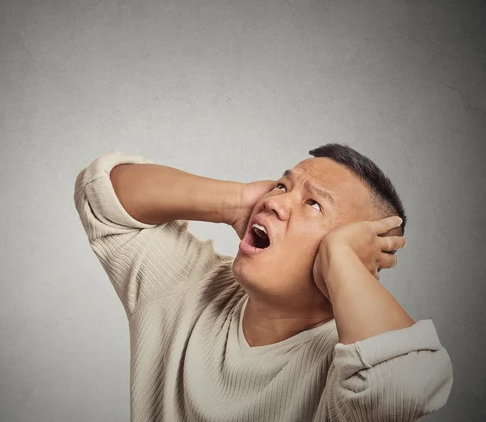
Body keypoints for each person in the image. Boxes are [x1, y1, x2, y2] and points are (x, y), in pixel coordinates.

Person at [73, 143, 453, 422]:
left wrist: (340, 259)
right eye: (283, 186)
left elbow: (404, 386)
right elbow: (101, 196)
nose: (275, 202)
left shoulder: (347, 367)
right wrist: (235, 201)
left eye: (314, 204)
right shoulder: (190, 288)